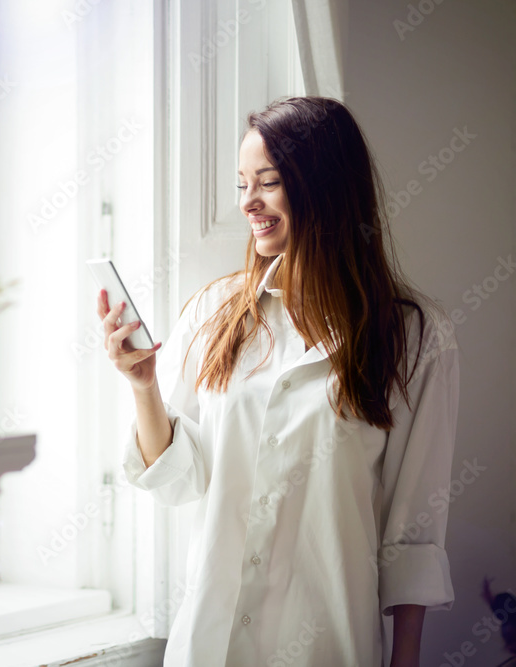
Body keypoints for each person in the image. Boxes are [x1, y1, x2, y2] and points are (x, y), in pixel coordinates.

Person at [97, 96, 460, 666]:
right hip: (209, 647)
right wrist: (143, 386)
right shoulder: (216, 314)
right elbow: (176, 481)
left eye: (267, 182)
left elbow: (412, 533)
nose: (249, 203)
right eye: (242, 185)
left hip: (327, 646)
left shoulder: (414, 338)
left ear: (325, 188)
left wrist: (405, 661)